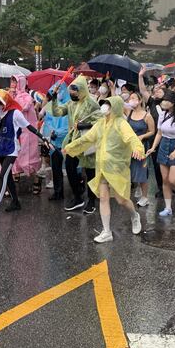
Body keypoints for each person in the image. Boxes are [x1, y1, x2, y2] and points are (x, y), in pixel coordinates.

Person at [64, 95, 145, 243]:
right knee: (103, 198)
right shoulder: (100, 123)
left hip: (117, 168)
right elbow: (87, 138)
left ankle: (134, 215)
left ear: (115, 107)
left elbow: (132, 138)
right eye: (104, 103)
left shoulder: (121, 124)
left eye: (108, 104)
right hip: (101, 167)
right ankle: (106, 231)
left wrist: (138, 149)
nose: (104, 106)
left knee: (121, 200)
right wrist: (70, 147)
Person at [0, 90, 52, 215]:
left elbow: (29, 126)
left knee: (3, 175)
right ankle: (15, 202)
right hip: (0, 147)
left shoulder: (15, 113)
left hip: (11, 149)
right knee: (8, 176)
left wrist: (43, 138)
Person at [50, 75, 102, 213]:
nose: (72, 95)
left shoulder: (92, 104)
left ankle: (91, 200)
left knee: (90, 171)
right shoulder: (71, 104)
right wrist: (54, 98)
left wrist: (85, 125)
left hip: (87, 141)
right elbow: (57, 112)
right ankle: (78, 197)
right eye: (70, 93)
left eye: (74, 92)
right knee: (69, 167)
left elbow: (101, 122)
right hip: (73, 142)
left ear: (82, 90)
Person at [147, 91, 175, 218]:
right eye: (163, 100)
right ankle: (168, 208)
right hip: (164, 145)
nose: (163, 102)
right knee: (165, 181)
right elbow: (159, 133)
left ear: (173, 102)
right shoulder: (162, 115)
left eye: (166, 100)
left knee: (172, 180)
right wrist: (153, 147)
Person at [40, 81, 70, 201]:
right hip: (53, 141)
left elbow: (68, 125)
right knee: (55, 168)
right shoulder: (52, 104)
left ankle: (78, 191)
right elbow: (47, 120)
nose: (56, 94)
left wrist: (57, 133)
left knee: (72, 168)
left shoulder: (69, 105)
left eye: (58, 91)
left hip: (66, 141)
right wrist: (50, 132)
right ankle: (58, 192)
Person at [139, 67, 166, 197]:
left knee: (168, 164)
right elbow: (143, 90)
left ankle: (171, 185)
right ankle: (161, 187)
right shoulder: (152, 102)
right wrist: (140, 76)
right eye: (155, 90)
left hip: (168, 137)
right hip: (154, 137)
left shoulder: (170, 102)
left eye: (159, 90)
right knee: (156, 165)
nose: (156, 92)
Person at [126, 91, 155, 207]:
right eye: (130, 98)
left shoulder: (147, 115)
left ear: (140, 100)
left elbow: (152, 131)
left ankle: (145, 197)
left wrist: (142, 136)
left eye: (134, 98)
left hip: (141, 147)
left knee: (141, 172)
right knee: (130, 170)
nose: (131, 100)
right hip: (129, 147)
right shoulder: (129, 112)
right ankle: (134, 188)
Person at [10, 75, 40, 182]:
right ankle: (14, 178)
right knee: (14, 156)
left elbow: (23, 107)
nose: (12, 83)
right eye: (12, 81)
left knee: (28, 158)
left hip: (27, 132)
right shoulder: (11, 95)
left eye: (15, 81)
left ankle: (36, 180)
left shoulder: (26, 97)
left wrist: (14, 96)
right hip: (14, 131)